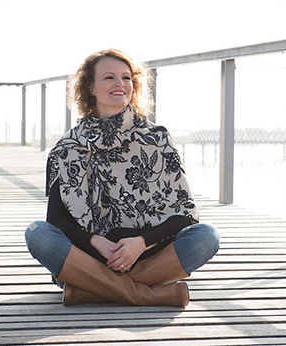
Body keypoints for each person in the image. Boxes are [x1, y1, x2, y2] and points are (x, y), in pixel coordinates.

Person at [25, 49, 220, 307]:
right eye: (109, 78)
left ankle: (90, 290)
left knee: (207, 236)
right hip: (92, 258)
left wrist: (141, 243)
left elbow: (184, 216)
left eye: (126, 78)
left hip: (149, 255)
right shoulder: (68, 148)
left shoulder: (157, 139)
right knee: (38, 233)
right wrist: (99, 243)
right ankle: (144, 292)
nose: (120, 84)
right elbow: (58, 220)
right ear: (91, 88)